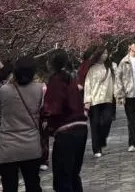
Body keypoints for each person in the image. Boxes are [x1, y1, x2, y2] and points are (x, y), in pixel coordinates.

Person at [0, 56, 45, 192]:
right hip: (31, 145)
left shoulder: (4, 90)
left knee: (9, 187)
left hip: (8, 147)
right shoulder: (40, 89)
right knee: (33, 184)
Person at [42, 50, 89, 192]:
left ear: (52, 63)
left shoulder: (56, 80)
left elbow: (53, 107)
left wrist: (45, 120)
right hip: (81, 128)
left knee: (63, 179)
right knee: (73, 175)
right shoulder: (71, 77)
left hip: (67, 131)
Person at [83, 48, 117, 158]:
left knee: (107, 121)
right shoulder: (91, 69)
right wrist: (87, 100)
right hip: (95, 100)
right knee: (95, 124)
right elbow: (87, 85)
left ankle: (101, 140)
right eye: (103, 53)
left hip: (107, 99)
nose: (105, 55)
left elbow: (115, 82)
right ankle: (96, 149)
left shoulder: (110, 67)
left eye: (106, 53)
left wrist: (117, 94)